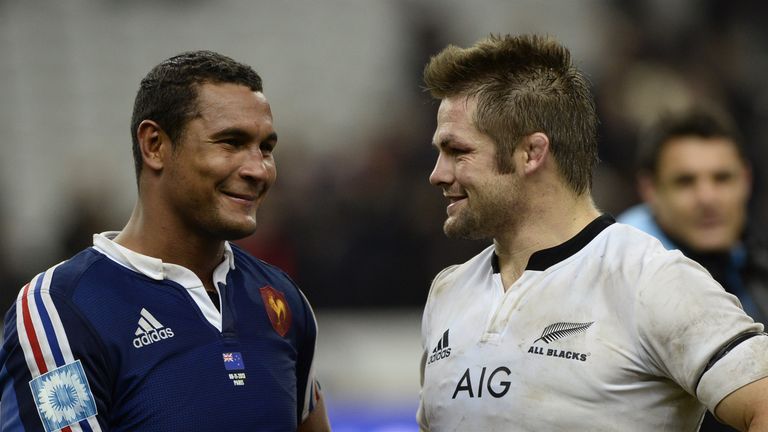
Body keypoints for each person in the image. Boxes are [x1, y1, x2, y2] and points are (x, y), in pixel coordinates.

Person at [417, 34, 768, 431]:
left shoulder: (652, 281)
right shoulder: (448, 292)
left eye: (458, 152)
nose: (437, 174)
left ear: (531, 153)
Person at [0, 50, 330, 431]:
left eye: (266, 148)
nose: (259, 170)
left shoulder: (283, 300)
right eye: (231, 142)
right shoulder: (61, 308)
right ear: (154, 144)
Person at [618, 106, 768, 432]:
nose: (707, 197)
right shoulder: (618, 278)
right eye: (685, 182)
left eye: (722, 178)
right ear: (650, 189)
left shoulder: (752, 262)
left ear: (746, 180)